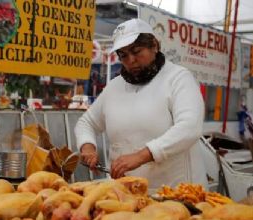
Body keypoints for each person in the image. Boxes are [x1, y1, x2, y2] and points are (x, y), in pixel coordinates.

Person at [74, 19, 206, 190]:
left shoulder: (178, 78)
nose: (131, 60)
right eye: (123, 56)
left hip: (177, 193)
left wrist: (142, 155)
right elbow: (86, 123)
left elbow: (189, 127)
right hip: (127, 194)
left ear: (154, 46)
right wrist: (88, 147)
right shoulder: (115, 87)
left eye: (137, 52)